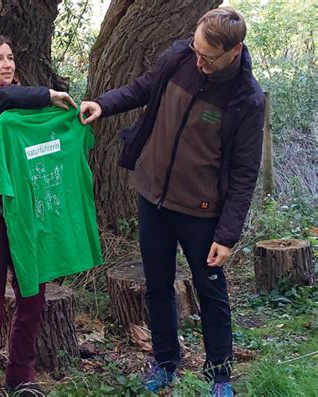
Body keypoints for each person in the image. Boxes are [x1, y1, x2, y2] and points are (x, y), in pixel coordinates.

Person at [79, 7, 264, 397]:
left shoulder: (245, 99)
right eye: (196, 50)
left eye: (207, 57)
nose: (198, 61)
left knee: (211, 290)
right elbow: (141, 88)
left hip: (200, 211)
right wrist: (104, 103)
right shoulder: (179, 59)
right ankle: (165, 362)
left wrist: (227, 234)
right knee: (158, 285)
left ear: (234, 51)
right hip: (152, 197)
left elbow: (246, 172)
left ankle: (220, 375)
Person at [0, 33, 75, 397]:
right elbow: (0, 97)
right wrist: (47, 95)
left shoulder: (24, 104)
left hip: (25, 219)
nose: (7, 65)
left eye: (10, 57)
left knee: (32, 300)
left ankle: (21, 377)